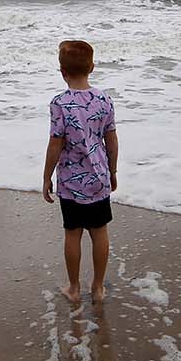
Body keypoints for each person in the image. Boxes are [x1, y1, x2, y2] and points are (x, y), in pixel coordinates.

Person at [40, 38, 118, 302]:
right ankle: (97, 288)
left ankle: (74, 288)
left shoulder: (60, 103)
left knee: (72, 233)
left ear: (62, 72)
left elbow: (55, 144)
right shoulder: (104, 99)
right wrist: (113, 170)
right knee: (100, 232)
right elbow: (112, 139)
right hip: (99, 177)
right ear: (92, 67)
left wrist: (46, 176)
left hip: (71, 182)